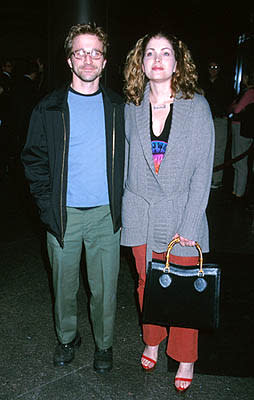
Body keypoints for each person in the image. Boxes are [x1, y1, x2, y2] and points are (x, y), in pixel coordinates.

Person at [21, 23, 125, 372]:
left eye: (94, 52)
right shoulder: (49, 108)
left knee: (105, 289)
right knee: (63, 287)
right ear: (69, 60)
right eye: (80, 52)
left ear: (105, 60)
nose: (87, 58)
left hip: (106, 215)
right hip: (63, 214)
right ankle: (67, 338)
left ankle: (104, 345)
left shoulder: (118, 108)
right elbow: (33, 159)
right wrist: (47, 208)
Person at [121, 32, 214, 392]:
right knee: (146, 284)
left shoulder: (197, 107)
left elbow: (203, 172)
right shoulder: (132, 106)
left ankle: (186, 357)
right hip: (140, 213)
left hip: (181, 214)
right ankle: (152, 338)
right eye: (149, 53)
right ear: (140, 63)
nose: (157, 59)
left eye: (166, 53)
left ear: (178, 61)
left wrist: (191, 223)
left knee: (184, 291)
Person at [201, 60, 232, 189]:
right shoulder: (203, 83)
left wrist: (226, 114)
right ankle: (203, 179)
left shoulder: (225, 84)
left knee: (219, 149)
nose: (213, 69)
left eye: (216, 67)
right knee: (204, 149)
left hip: (220, 120)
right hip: (206, 120)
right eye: (211, 67)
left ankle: (217, 179)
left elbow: (231, 101)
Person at [228, 70, 254, 200]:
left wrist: (235, 107)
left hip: (242, 128)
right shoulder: (246, 92)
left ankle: (239, 192)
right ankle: (237, 190)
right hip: (242, 128)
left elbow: (235, 109)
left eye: (245, 75)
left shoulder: (249, 92)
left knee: (240, 161)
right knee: (238, 159)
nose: (242, 77)